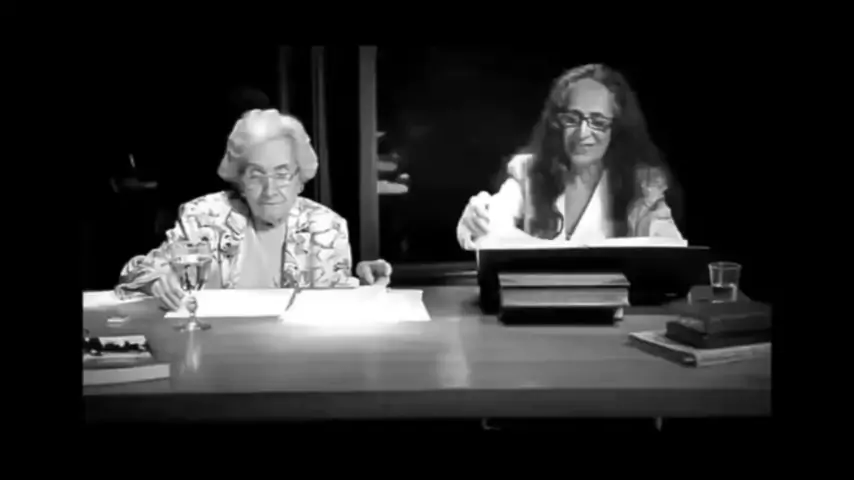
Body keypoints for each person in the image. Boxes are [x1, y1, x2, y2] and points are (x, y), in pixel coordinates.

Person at [116, 109, 393, 311]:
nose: (270, 189)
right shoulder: (204, 217)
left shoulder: (326, 227)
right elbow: (135, 272)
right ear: (240, 181)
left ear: (300, 180)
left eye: (282, 174)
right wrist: (156, 281)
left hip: (296, 357)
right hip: (214, 351)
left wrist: (365, 284)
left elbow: (339, 306)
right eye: (256, 174)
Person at [456, 63, 683, 249]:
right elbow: (489, 230)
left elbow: (670, 247)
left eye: (598, 122)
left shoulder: (642, 185)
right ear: (557, 122)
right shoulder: (529, 171)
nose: (582, 134)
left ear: (616, 129)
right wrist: (476, 220)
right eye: (572, 119)